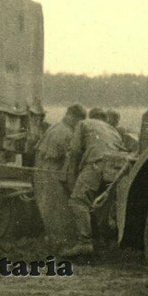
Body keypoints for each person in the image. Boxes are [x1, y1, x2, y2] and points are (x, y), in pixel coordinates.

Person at [63, 109, 125, 257]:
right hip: (115, 170)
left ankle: (84, 243)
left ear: (91, 116)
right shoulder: (113, 130)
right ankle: (103, 242)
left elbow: (75, 152)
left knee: (78, 202)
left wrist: (71, 178)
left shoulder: (83, 124)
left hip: (96, 165)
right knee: (101, 206)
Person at [32, 103, 86, 246]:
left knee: (49, 208)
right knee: (57, 209)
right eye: (78, 121)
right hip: (51, 173)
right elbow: (71, 160)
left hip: (42, 170)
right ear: (72, 117)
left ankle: (54, 240)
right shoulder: (66, 133)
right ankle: (60, 243)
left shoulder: (55, 127)